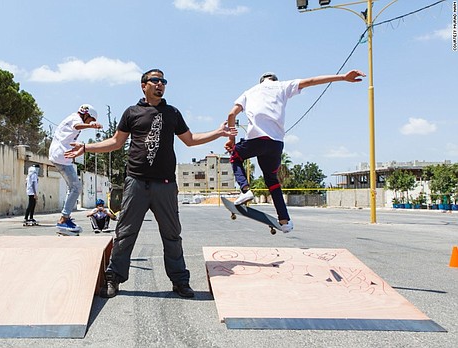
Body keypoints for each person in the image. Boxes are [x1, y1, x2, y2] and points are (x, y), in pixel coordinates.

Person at [65, 68, 237, 299]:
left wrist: (218, 132)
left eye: (163, 81)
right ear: (143, 85)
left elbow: (190, 140)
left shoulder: (172, 113)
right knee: (125, 232)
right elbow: (116, 142)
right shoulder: (132, 112)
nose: (160, 84)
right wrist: (86, 147)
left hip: (165, 185)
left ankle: (179, 281)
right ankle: (113, 278)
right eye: (155, 80)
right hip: (136, 182)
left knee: (172, 234)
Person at [225, 70, 366, 233]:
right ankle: (284, 221)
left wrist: (231, 140)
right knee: (272, 181)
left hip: (255, 140)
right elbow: (312, 80)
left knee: (236, 157)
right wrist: (343, 77)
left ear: (261, 81)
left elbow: (231, 114)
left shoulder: (249, 92)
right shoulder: (283, 86)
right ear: (274, 80)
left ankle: (245, 190)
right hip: (275, 144)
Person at [49, 104, 102, 236]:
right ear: (86, 115)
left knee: (74, 187)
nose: (90, 123)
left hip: (62, 156)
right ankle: (63, 219)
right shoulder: (75, 118)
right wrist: (91, 126)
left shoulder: (75, 118)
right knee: (76, 187)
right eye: (90, 120)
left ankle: (65, 218)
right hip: (61, 157)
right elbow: (77, 126)